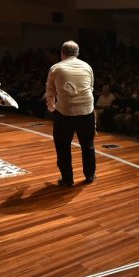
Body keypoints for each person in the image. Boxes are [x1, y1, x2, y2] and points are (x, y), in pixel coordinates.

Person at [46, 40, 96, 186]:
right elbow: (91, 88)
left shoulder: (56, 67)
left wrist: (51, 107)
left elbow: (50, 92)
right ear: (77, 54)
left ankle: (67, 179)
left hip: (65, 112)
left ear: (62, 53)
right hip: (87, 110)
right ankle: (90, 176)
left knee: (63, 146)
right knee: (88, 145)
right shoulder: (87, 66)